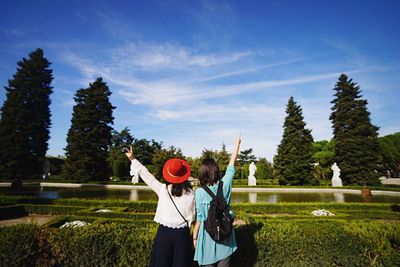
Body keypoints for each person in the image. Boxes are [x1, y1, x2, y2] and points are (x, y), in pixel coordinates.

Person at [125, 146, 195, 267]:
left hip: (164, 233)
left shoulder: (163, 189)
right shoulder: (191, 193)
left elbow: (147, 176)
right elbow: (193, 216)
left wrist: (133, 159)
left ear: (169, 174)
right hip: (182, 234)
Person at [193, 135, 241, 266]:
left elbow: (200, 218)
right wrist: (237, 144)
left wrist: (194, 237)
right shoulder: (225, 185)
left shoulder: (199, 192)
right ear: (216, 170)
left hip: (207, 237)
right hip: (225, 237)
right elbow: (231, 165)